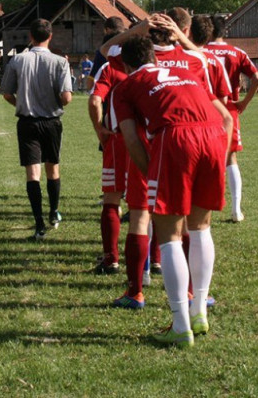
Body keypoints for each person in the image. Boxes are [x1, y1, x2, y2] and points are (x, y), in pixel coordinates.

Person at [113, 35, 232, 347]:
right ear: (154, 57)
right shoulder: (186, 72)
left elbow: (131, 138)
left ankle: (180, 325)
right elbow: (225, 117)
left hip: (176, 138)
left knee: (169, 237)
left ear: (126, 64)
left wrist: (151, 173)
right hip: (213, 135)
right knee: (201, 228)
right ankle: (199, 310)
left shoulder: (125, 86)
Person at [90, 31, 151, 312]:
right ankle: (157, 260)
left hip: (118, 139)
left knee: (113, 198)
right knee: (152, 205)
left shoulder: (111, 65)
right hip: (152, 140)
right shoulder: (167, 66)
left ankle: (111, 258)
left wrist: (100, 130)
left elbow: (95, 100)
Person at [1, 19, 72, 240]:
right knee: (53, 168)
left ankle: (39, 223)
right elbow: (67, 97)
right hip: (51, 122)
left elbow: (6, 93)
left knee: (33, 174)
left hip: (27, 122)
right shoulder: (60, 62)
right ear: (50, 36)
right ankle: (53, 212)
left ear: (30, 37)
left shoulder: (17, 60)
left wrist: (21, 103)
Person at [205, 16, 258, 222]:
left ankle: (200, 207)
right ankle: (236, 209)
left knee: (201, 156)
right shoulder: (237, 52)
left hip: (203, 107)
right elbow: (257, 78)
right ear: (225, 31)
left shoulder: (198, 52)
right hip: (228, 108)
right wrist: (244, 102)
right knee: (230, 158)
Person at [87, 17, 126, 91]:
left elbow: (90, 83)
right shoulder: (133, 45)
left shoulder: (104, 50)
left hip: (111, 92)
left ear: (107, 30)